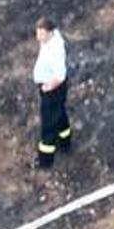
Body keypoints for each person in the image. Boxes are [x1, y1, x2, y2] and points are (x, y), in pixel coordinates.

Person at [32, 20, 72, 164]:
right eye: (37, 33)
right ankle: (65, 142)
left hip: (52, 89)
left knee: (48, 121)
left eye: (41, 34)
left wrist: (47, 87)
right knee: (59, 114)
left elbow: (60, 76)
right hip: (52, 87)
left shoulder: (55, 50)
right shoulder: (49, 40)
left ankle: (45, 159)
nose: (38, 38)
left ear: (50, 33)